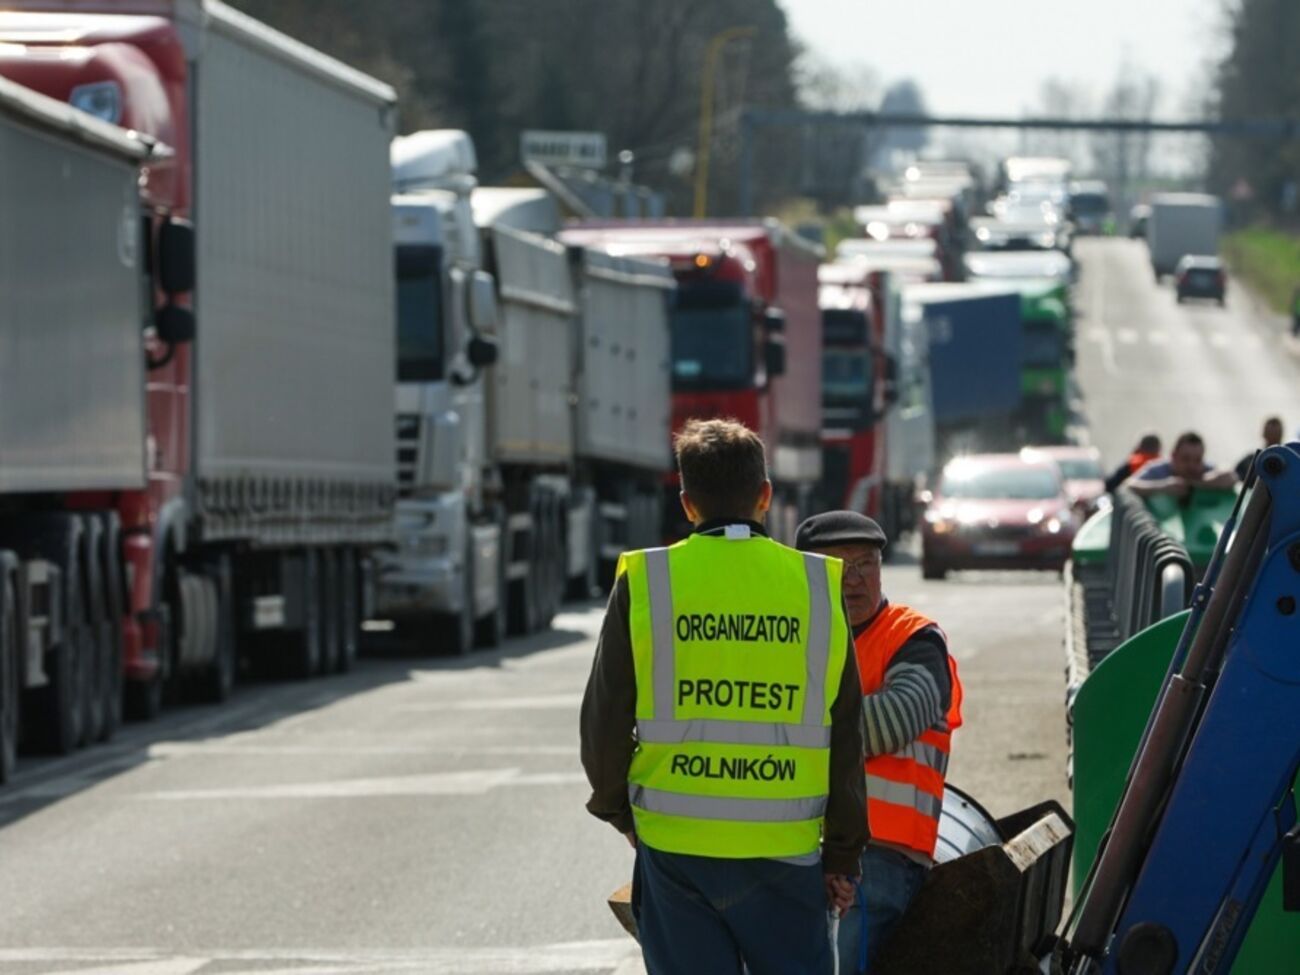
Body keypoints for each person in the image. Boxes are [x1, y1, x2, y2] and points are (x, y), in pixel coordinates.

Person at [580, 418, 867, 975]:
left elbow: (604, 722)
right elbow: (846, 729)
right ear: (765, 495)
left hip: (676, 849)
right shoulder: (814, 586)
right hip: (785, 850)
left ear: (686, 503)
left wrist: (621, 812)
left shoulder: (647, 580)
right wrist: (842, 855)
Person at [795, 511, 963, 973]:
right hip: (791, 843)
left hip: (881, 854)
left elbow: (891, 721)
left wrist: (788, 731)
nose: (854, 580)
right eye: (838, 566)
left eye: (866, 563)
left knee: (835, 963)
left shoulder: (914, 639)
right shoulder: (792, 638)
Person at [1127, 431, 1238, 499]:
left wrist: (1195, 483)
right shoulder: (1159, 469)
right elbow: (1129, 486)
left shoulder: (1204, 470)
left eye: (1197, 460)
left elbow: (1231, 477)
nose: (1191, 465)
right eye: (1185, 459)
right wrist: (1163, 487)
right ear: (1173, 456)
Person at [1235, 416, 1284, 481]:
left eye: (1275, 432)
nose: (1272, 434)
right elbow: (1235, 476)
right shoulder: (1250, 461)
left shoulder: (1288, 460)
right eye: (1270, 432)